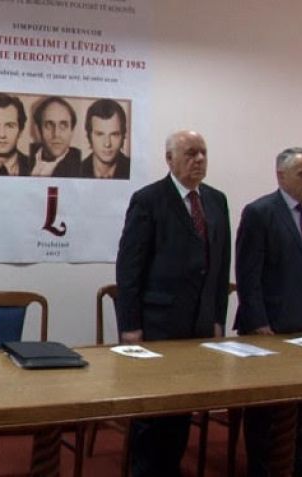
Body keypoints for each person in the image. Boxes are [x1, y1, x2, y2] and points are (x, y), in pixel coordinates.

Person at [115, 130, 231, 476]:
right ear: (170, 159)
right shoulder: (149, 200)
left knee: (184, 404)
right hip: (158, 324)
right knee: (153, 409)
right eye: (191, 153)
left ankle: (171, 467)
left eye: (203, 153)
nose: (199, 159)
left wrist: (217, 318)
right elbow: (129, 268)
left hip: (199, 324)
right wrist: (130, 325)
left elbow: (220, 266)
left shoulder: (216, 200)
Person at [235, 147, 302, 477]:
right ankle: (262, 469)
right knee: (268, 407)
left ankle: (296, 465)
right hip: (273, 327)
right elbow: (248, 273)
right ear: (281, 176)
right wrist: (258, 321)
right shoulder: (261, 212)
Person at [29, 95, 81, 177]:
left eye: (63, 125)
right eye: (49, 125)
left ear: (72, 131)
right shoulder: (24, 158)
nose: (56, 134)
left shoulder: (79, 167)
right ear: (38, 130)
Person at [80, 98, 130, 179]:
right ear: (89, 136)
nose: (107, 143)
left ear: (123, 135)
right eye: (100, 134)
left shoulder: (133, 170)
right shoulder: (76, 172)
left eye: (114, 134)